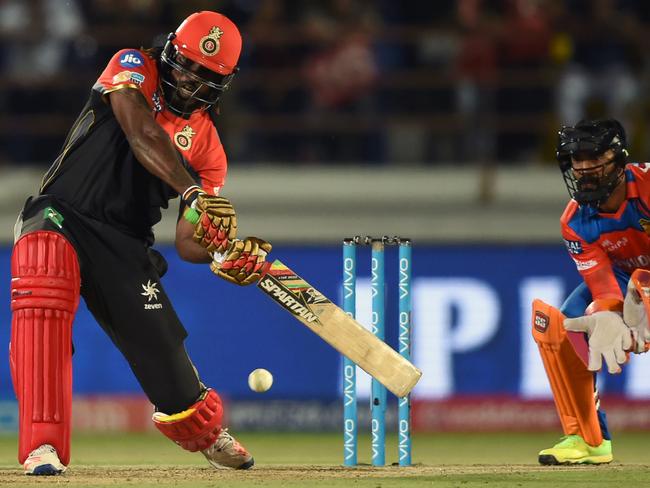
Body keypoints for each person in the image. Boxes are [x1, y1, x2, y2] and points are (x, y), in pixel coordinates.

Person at [9, 11, 272, 475]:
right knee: (42, 281)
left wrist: (222, 249)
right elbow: (139, 132)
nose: (190, 83)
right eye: (186, 67)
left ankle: (205, 433)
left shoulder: (208, 146)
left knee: (163, 355)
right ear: (168, 53)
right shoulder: (134, 65)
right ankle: (42, 446)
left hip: (125, 244)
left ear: (222, 83)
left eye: (205, 78)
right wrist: (191, 192)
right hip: (61, 215)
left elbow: (190, 242)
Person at [531, 118, 650, 465]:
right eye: (576, 160)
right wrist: (609, 315)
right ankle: (588, 439)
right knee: (561, 327)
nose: (583, 169)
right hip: (626, 278)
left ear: (619, 158)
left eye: (592, 158)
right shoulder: (575, 222)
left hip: (641, 280)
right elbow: (604, 289)